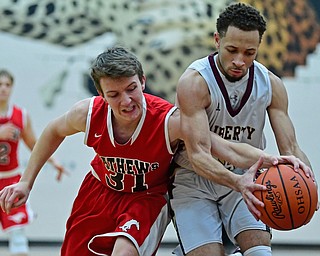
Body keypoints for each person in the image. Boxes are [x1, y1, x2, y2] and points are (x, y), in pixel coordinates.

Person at [0, 47, 310, 256]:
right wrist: (27, 181)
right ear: (101, 94)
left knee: (124, 250)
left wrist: (264, 158)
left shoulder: (169, 120)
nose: (126, 101)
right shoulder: (88, 113)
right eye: (114, 94)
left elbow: (221, 145)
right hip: (98, 190)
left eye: (132, 88)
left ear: (143, 81)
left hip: (146, 198)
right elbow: (53, 131)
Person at [170, 3, 317, 256]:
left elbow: (290, 148)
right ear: (217, 40)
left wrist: (309, 184)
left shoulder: (271, 85)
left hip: (246, 174)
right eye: (232, 50)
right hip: (194, 180)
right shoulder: (195, 82)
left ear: (259, 47)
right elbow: (199, 154)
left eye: (249, 53)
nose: (240, 61)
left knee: (260, 252)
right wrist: (240, 183)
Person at [0, 69, 66, 256]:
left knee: (18, 237)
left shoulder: (21, 115)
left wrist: (54, 161)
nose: (3, 89)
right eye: (0, 84)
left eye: (7, 85)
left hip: (10, 179)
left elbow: (34, 144)